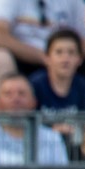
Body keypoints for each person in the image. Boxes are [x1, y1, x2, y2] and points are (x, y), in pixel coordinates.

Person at [0, 0, 85, 105]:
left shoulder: (73, 2)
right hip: (19, 60)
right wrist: (45, 57)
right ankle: (5, 126)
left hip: (60, 61)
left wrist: (64, 56)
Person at [0, 71, 68, 164]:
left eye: (22, 93)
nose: (15, 99)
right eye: (8, 94)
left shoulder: (52, 138)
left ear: (34, 102)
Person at [30, 28, 85, 158]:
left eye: (71, 53)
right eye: (59, 52)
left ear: (79, 59)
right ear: (47, 58)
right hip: (41, 151)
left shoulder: (82, 87)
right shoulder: (34, 86)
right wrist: (52, 132)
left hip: (76, 150)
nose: (65, 59)